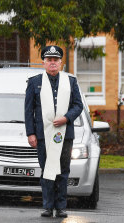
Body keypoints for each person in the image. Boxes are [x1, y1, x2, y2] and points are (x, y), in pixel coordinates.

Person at [25, 45, 83, 218]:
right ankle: (48, 206)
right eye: (49, 60)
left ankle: (61, 207)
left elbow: (78, 105)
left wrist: (66, 118)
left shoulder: (70, 81)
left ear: (61, 63)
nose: (52, 63)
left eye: (55, 60)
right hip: (42, 134)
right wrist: (31, 133)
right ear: (43, 62)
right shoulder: (35, 82)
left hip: (65, 134)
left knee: (63, 171)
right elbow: (29, 110)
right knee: (47, 170)